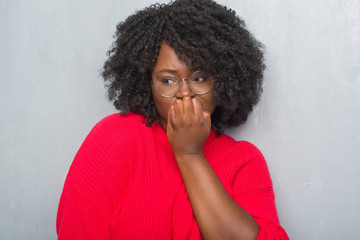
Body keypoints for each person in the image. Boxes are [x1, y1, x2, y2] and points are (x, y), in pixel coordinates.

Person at [56, 0, 289, 239]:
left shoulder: (245, 161)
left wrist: (190, 154)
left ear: (223, 80)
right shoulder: (115, 137)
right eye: (167, 80)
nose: (184, 93)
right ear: (148, 84)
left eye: (199, 78)